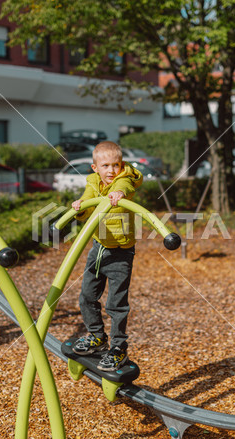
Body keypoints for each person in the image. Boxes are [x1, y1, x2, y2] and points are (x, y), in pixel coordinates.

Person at [71, 141, 143, 371]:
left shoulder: (123, 180)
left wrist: (120, 192)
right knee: (86, 296)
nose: (111, 170)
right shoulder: (93, 183)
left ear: (121, 165)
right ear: (95, 168)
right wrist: (81, 208)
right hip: (99, 248)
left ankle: (118, 349)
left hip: (121, 252)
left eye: (116, 165)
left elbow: (127, 186)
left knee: (116, 304)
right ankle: (97, 337)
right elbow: (88, 209)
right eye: (105, 166)